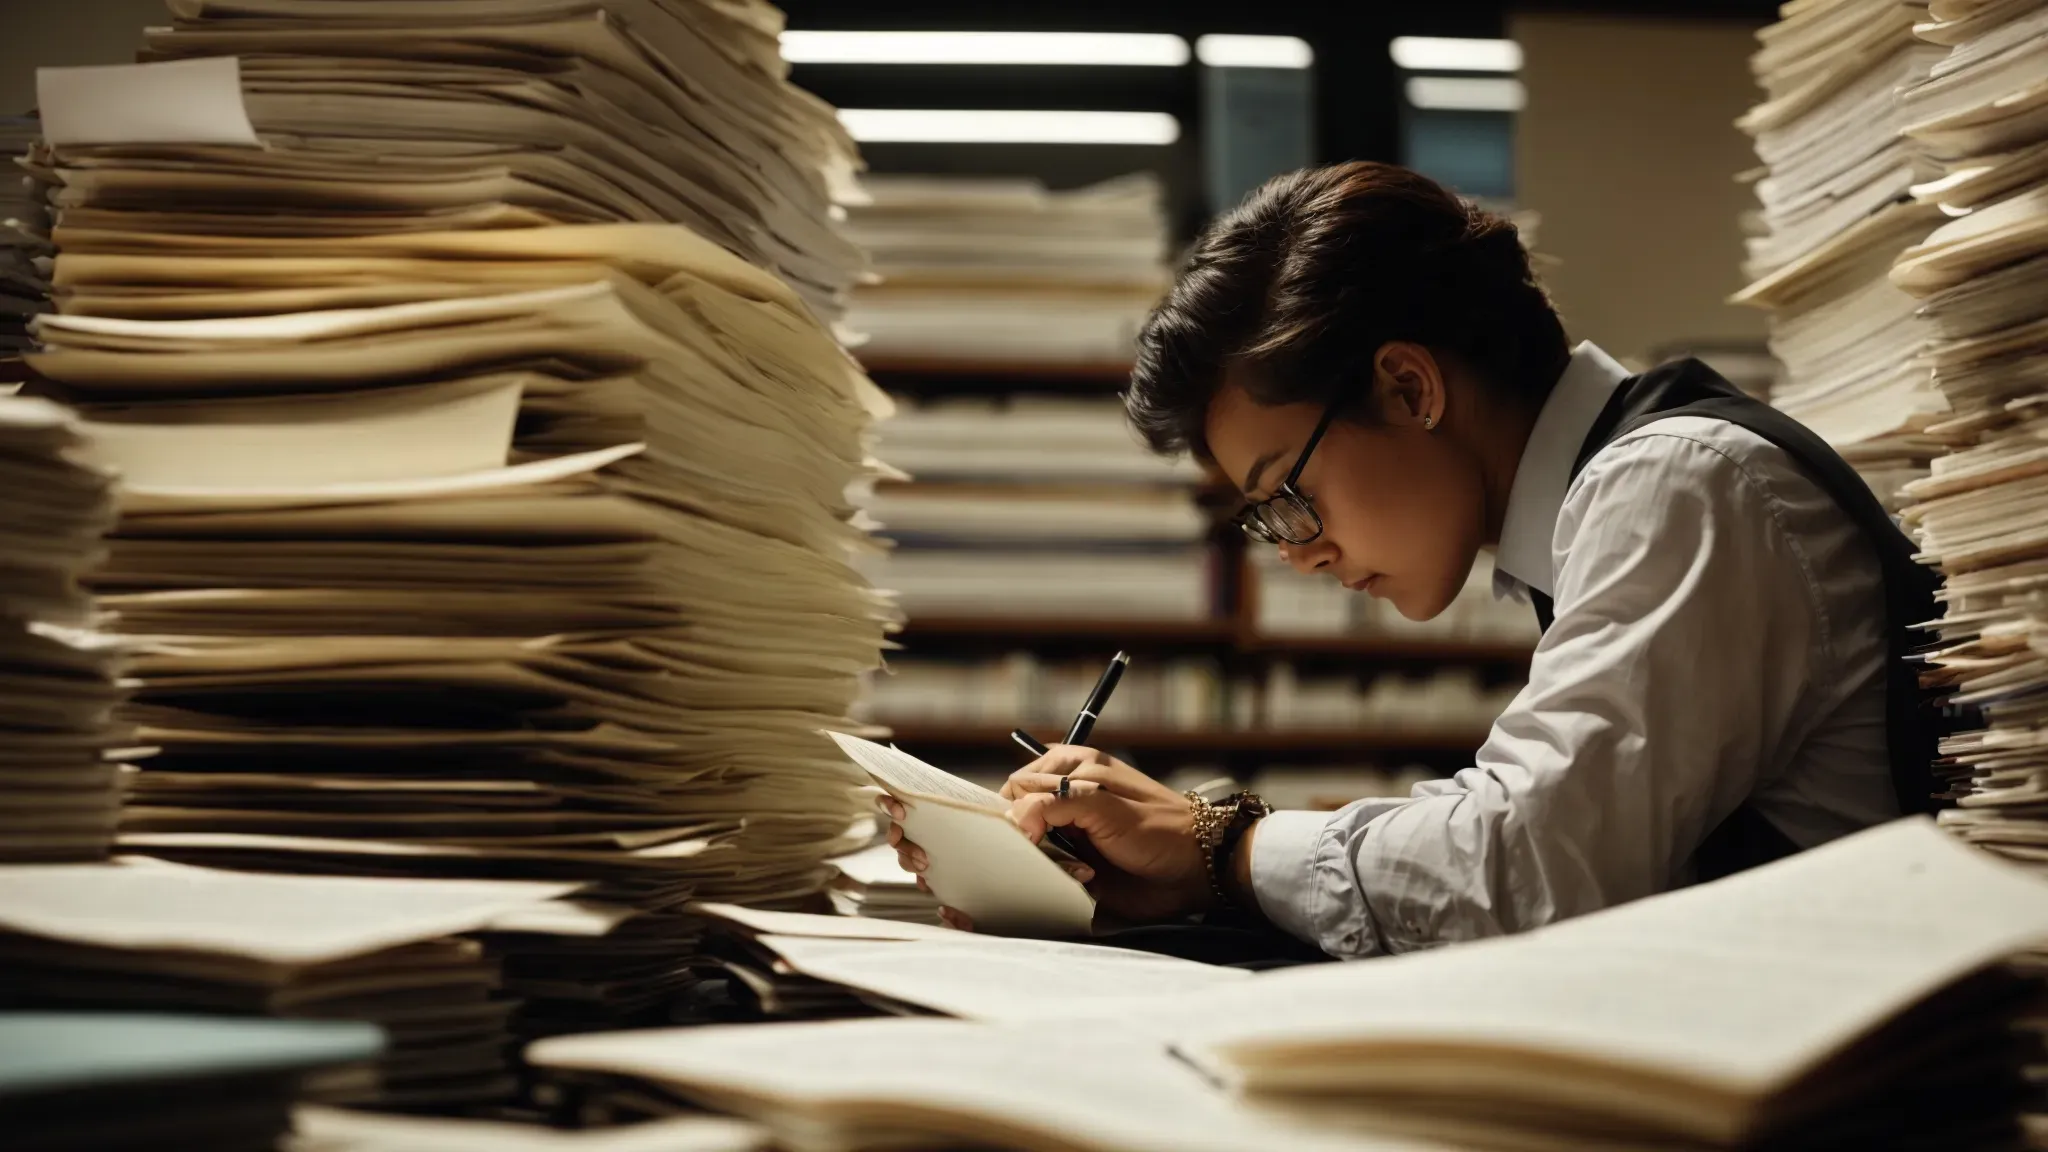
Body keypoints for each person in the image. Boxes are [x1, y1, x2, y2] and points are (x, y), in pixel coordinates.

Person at [881, 161, 1939, 960]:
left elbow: (1526, 869)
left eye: (1284, 499)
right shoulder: (1610, 502)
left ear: (1406, 387)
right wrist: (1209, 871)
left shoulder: (1677, 482)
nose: (1296, 553)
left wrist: (1217, 844)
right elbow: (1532, 823)